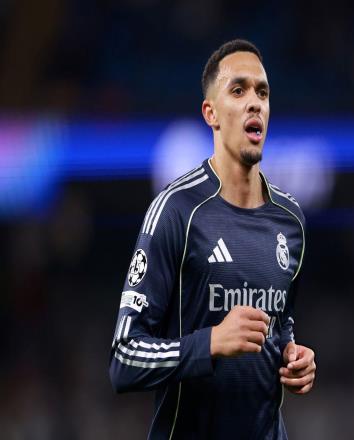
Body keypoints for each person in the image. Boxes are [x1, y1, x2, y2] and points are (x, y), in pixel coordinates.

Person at [109, 39, 316, 439]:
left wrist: (293, 357)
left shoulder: (291, 220)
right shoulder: (176, 211)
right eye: (238, 90)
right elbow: (124, 358)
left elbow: (280, 324)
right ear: (211, 113)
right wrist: (210, 343)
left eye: (262, 92)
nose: (254, 102)